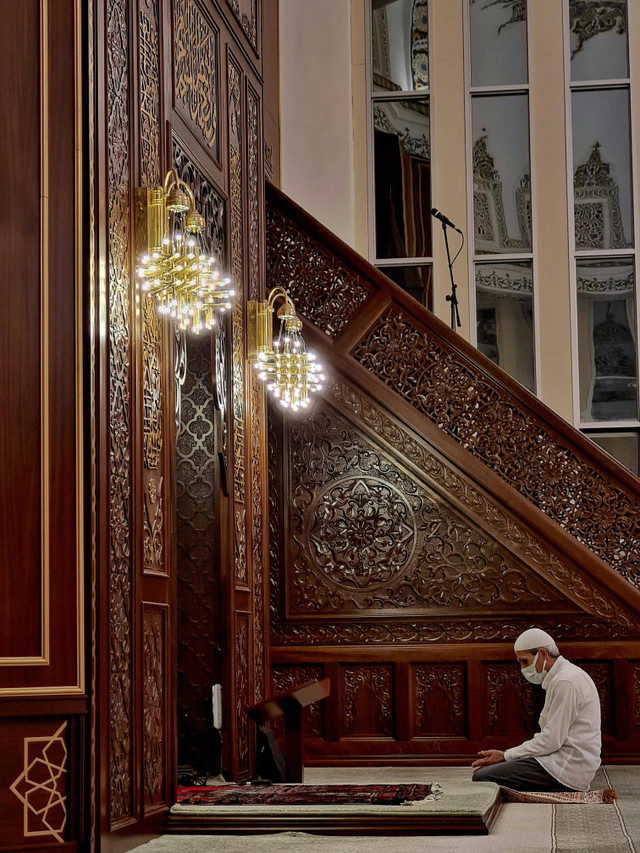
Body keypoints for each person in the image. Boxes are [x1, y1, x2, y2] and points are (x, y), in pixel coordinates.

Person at [471, 627, 601, 792]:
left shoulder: (565, 681)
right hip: (558, 759)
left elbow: (551, 741)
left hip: (566, 768)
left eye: (524, 661)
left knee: (482, 776)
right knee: (492, 771)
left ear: (542, 654)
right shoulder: (564, 676)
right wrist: (507, 757)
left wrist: (505, 755)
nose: (523, 668)